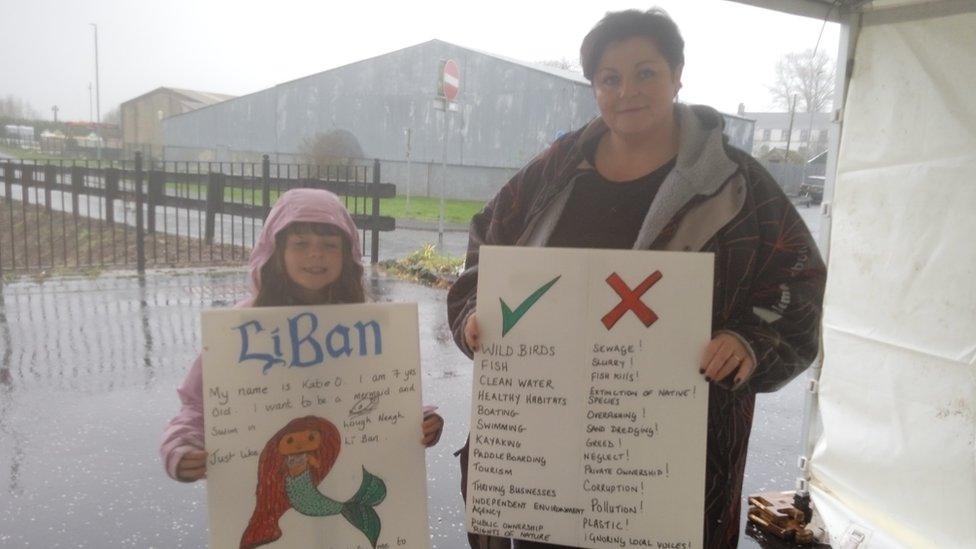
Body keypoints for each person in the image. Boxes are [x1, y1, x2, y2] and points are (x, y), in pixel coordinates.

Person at [447, 8, 826, 549]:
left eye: (646, 72)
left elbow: (799, 280)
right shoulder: (553, 171)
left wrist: (750, 341)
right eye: (610, 78)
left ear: (677, 75)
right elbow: (486, 245)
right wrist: (473, 316)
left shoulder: (738, 185)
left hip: (674, 453)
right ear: (595, 87)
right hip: (543, 445)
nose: (628, 90)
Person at [160, 188, 444, 484]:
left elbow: (389, 391)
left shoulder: (366, 327)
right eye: (300, 243)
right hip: (264, 485)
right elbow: (196, 403)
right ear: (276, 251)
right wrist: (179, 446)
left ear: (347, 255)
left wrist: (419, 420)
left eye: (330, 244)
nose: (316, 253)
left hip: (344, 477)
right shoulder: (239, 330)